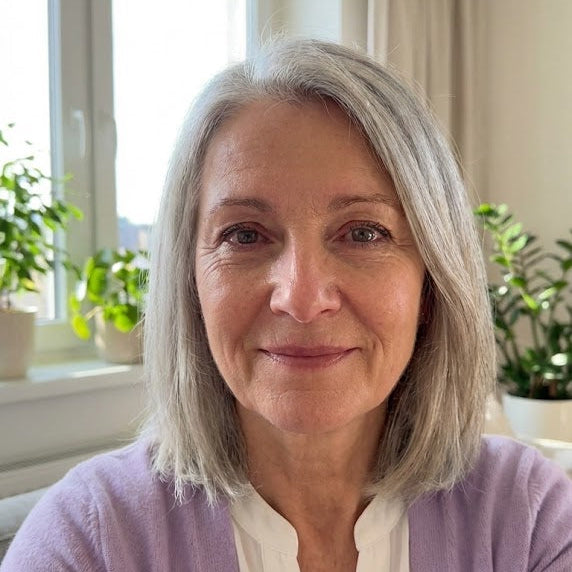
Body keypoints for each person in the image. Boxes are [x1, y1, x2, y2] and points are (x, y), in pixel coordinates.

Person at [2, 38, 572, 572]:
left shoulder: (532, 521)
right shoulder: (90, 537)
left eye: (364, 233)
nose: (301, 299)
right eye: (244, 235)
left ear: (431, 281)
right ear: (190, 282)